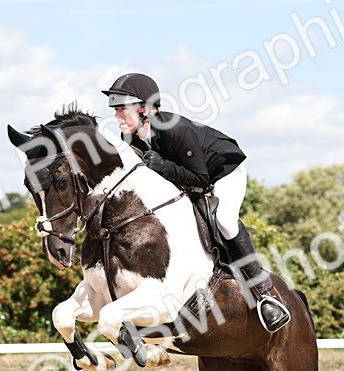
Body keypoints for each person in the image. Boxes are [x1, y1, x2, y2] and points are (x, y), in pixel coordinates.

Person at [101, 72, 291, 333]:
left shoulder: (176, 129)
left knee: (224, 220)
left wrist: (163, 166)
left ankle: (263, 293)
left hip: (222, 171)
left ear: (143, 109)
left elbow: (201, 181)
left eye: (122, 109)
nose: (117, 116)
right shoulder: (130, 137)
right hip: (184, 176)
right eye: (116, 110)